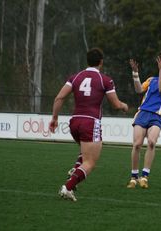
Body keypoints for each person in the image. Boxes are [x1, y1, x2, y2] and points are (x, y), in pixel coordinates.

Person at [49, 47, 128, 201]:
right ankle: (68, 187)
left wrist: (54, 118)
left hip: (74, 122)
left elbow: (59, 98)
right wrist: (124, 106)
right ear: (101, 62)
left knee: (88, 151)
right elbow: (116, 105)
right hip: (90, 122)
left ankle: (76, 169)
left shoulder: (75, 77)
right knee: (90, 162)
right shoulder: (105, 80)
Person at [126, 55, 161, 189]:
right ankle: (134, 178)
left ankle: (144, 176)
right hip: (143, 113)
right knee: (137, 144)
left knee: (151, 142)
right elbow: (139, 89)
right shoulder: (152, 79)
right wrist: (135, 73)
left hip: (157, 116)